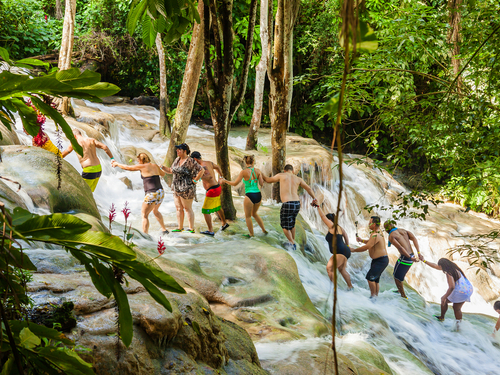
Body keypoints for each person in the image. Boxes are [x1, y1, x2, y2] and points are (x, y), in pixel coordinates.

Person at [263, 164, 318, 250]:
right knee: (292, 223)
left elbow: (268, 180)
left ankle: (291, 243)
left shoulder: (281, 175)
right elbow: (309, 189)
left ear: (284, 170)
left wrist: (260, 174)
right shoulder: (298, 179)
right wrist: (314, 198)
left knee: (284, 225)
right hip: (296, 203)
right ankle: (292, 241)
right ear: (292, 171)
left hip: (287, 203)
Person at [111, 153, 168, 235]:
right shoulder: (155, 165)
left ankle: (145, 235)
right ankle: (164, 229)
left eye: (138, 160)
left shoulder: (142, 166)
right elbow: (163, 174)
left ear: (141, 160)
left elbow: (127, 167)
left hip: (152, 193)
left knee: (144, 215)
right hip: (160, 192)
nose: (138, 162)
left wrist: (117, 164)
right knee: (155, 211)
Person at [160, 143, 204, 233]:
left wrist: (195, 180)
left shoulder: (190, 160)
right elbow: (171, 170)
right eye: (177, 149)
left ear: (184, 151)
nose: (177, 151)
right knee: (178, 208)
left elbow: (201, 170)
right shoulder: (177, 159)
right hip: (176, 187)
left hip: (187, 188)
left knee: (187, 208)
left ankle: (191, 228)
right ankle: (180, 227)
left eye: (179, 149)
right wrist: (162, 167)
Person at [220, 155, 267, 237]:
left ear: (245, 163)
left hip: (249, 195)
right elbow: (262, 184)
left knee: (248, 216)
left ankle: (251, 234)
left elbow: (235, 183)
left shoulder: (243, 172)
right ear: (253, 162)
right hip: (258, 195)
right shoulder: (258, 171)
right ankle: (264, 230)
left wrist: (225, 181)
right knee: (255, 214)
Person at [422, 257, 473, 326]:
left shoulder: (449, 273)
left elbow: (452, 287)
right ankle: (458, 326)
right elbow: (435, 266)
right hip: (468, 288)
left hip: (461, 291)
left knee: (448, 303)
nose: (439, 267)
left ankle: (444, 319)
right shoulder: (454, 268)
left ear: (443, 266)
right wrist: (424, 260)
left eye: (440, 266)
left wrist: (444, 296)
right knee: (456, 308)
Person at [190, 151, 229, 236]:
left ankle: (210, 230)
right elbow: (217, 167)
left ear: (195, 159)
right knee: (218, 207)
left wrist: (196, 178)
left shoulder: (202, 167)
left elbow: (209, 176)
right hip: (217, 187)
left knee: (205, 211)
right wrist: (221, 176)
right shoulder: (208, 162)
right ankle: (224, 223)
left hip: (212, 190)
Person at [384, 220, 423, 299]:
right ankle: (400, 291)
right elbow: (414, 239)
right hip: (409, 256)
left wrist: (409, 257)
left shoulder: (391, 235)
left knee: (397, 276)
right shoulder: (403, 231)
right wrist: (418, 252)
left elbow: (400, 248)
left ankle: (403, 296)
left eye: (385, 228)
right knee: (397, 273)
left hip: (406, 257)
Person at [315, 206, 352, 289]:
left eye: (327, 221)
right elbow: (345, 235)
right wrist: (348, 246)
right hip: (345, 251)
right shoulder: (339, 227)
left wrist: (318, 207)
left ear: (330, 220)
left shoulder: (332, 226)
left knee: (329, 269)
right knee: (342, 270)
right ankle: (350, 287)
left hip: (340, 252)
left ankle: (336, 289)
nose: (325, 222)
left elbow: (322, 217)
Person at [352, 216, 389, 298]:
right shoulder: (377, 233)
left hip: (381, 261)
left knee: (370, 278)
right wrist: (361, 240)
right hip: (379, 260)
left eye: (370, 222)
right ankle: (375, 297)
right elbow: (370, 242)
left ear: (374, 224)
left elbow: (367, 247)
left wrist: (354, 250)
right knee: (375, 280)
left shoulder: (376, 234)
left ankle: (373, 297)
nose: (368, 224)